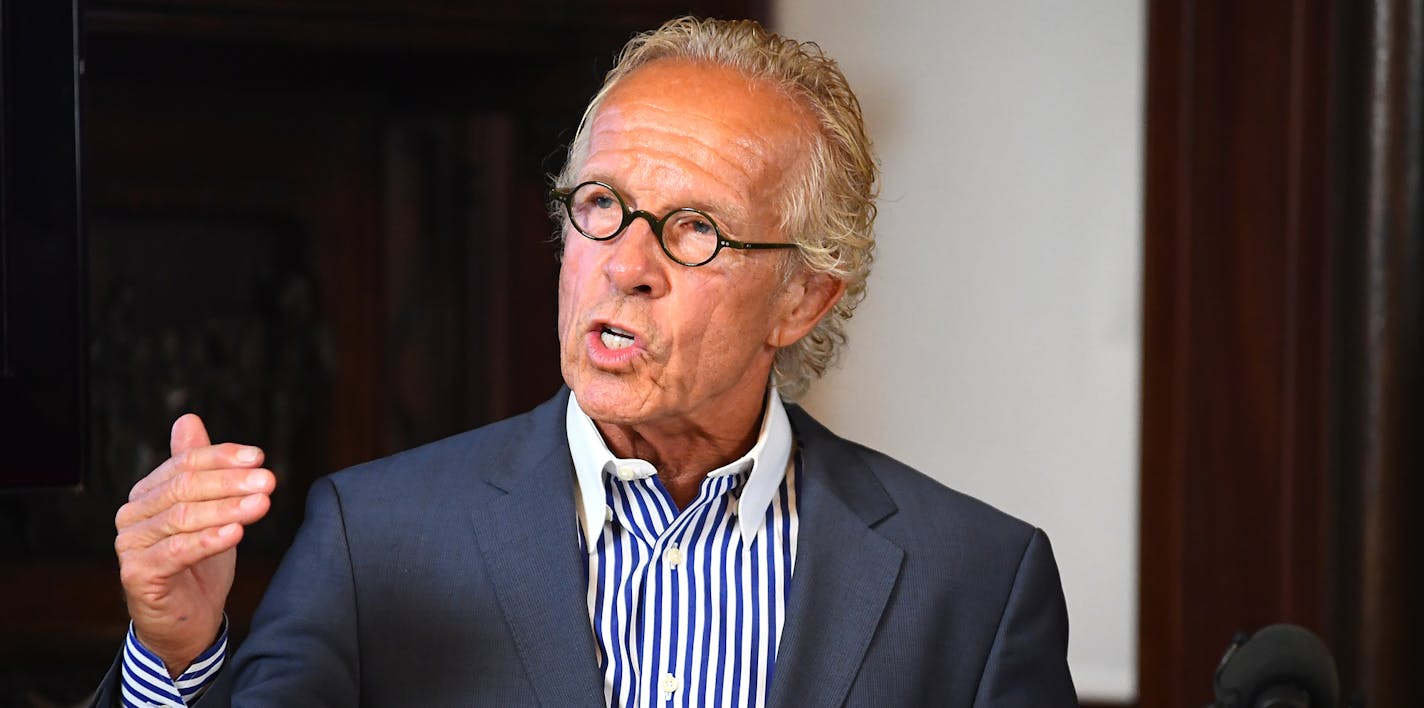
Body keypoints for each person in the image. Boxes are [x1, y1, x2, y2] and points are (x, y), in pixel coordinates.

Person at [96, 16, 1077, 707]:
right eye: (600, 205)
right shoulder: (375, 537)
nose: (625, 267)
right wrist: (174, 655)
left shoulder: (976, 582)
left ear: (802, 297)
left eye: (693, 227)